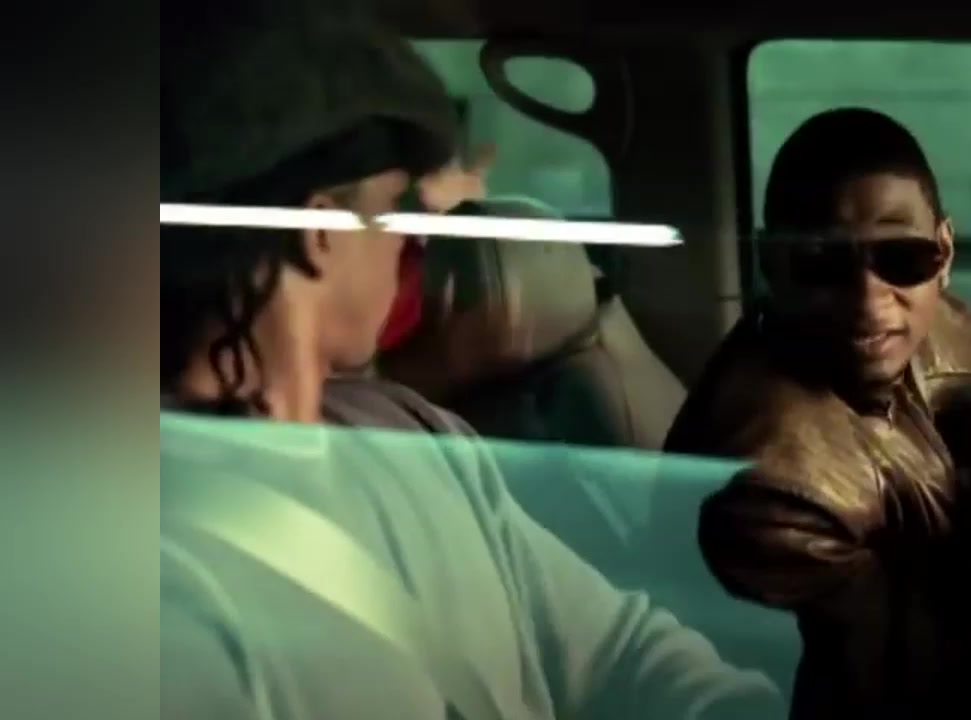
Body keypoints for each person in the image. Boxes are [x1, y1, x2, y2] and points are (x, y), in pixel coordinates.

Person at [160, 3, 782, 719]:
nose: (412, 240)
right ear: (320, 231)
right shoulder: (156, 581)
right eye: (396, 205)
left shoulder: (420, 437)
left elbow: (623, 651)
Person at [660, 108, 971, 717]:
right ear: (772, 265)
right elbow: (917, 692)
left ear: (944, 251)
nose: (870, 300)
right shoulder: (766, 494)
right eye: (822, 260)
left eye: (903, 256)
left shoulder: (944, 324)